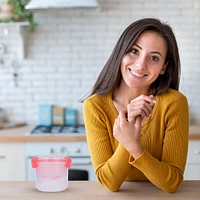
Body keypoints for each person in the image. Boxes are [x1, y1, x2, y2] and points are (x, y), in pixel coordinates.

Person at [83, 18, 189, 193]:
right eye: (134, 51)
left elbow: (172, 183)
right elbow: (109, 183)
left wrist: (133, 146)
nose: (140, 65)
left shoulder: (174, 104)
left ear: (164, 67)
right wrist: (128, 132)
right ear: (121, 52)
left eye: (154, 57)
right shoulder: (95, 106)